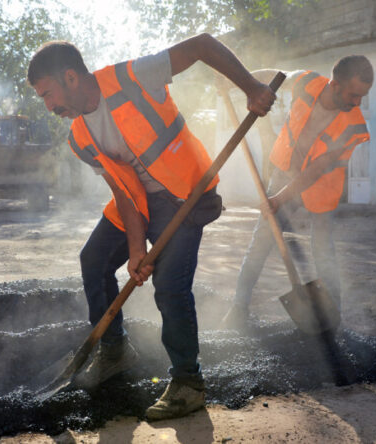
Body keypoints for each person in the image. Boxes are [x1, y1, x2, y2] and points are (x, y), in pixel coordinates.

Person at [27, 34, 275, 421]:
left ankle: (189, 384)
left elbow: (203, 46)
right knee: (93, 259)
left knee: (170, 286)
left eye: (47, 94)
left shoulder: (132, 77)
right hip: (139, 202)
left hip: (183, 195)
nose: (49, 105)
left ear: (70, 77)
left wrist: (252, 87)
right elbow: (123, 192)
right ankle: (114, 351)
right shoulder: (79, 136)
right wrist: (136, 246)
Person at [220, 56, 374, 330]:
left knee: (323, 251)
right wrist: (242, 82)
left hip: (322, 186)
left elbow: (317, 169)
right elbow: (273, 75)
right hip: (283, 172)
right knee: (262, 241)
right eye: (354, 94)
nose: (358, 102)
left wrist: (279, 199)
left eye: (363, 96)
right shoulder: (306, 82)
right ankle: (238, 308)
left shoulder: (353, 125)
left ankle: (331, 317)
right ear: (335, 85)